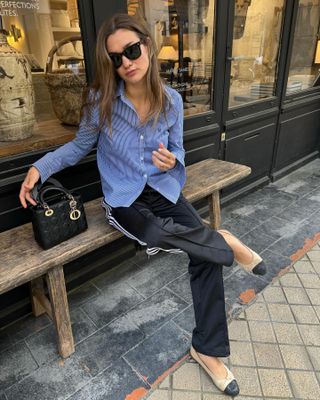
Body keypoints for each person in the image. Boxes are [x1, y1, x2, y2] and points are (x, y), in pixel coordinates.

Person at [19, 13, 266, 397]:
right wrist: (39, 167)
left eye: (131, 51)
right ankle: (223, 240)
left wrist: (173, 161)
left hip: (164, 190)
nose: (126, 62)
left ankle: (207, 349)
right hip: (122, 199)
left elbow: (179, 149)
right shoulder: (100, 102)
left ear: (147, 46)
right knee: (158, 235)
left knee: (202, 255)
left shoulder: (171, 101)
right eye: (116, 57)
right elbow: (79, 147)